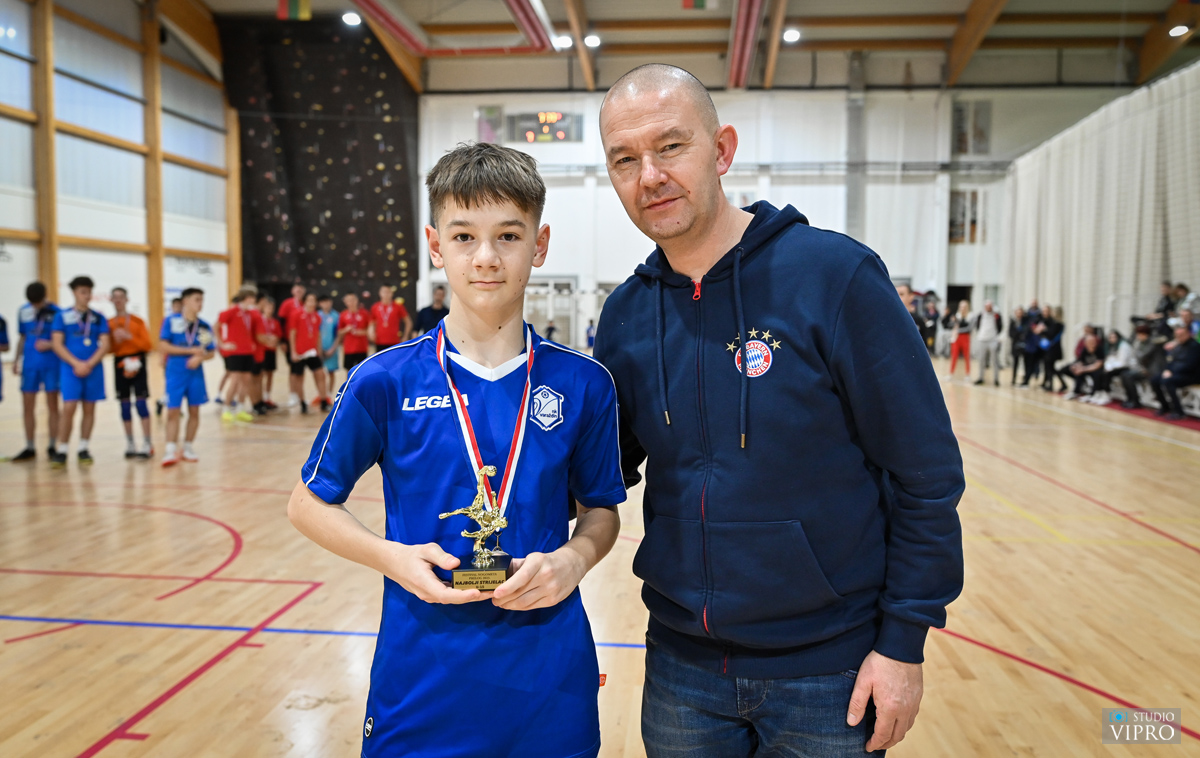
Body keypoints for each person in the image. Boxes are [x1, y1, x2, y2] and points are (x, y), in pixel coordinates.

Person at [594, 64, 963, 757]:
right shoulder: (625, 315)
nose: (650, 176)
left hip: (830, 671)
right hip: (681, 672)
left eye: (670, 146)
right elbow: (599, 471)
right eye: (625, 159)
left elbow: (925, 474)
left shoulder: (834, 277)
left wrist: (903, 643)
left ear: (722, 150)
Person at [287, 141, 626, 758]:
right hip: (421, 679)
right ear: (435, 245)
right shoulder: (383, 380)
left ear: (540, 244)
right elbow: (307, 504)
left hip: (549, 678)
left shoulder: (585, 384)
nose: (487, 257)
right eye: (464, 236)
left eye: (509, 236)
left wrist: (575, 560)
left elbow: (600, 510)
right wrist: (391, 557)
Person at [49, 276, 110, 467]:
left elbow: (105, 344)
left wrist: (89, 364)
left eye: (89, 292)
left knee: (89, 408)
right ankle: (62, 448)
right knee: (69, 408)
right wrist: (76, 364)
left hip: (93, 369)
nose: (87, 296)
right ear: (74, 293)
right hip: (70, 370)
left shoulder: (98, 318)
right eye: (83, 292)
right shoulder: (62, 316)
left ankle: (84, 447)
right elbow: (57, 344)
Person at [159, 287, 216, 466]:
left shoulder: (203, 326)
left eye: (202, 300)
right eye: (197, 299)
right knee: (173, 411)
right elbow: (163, 346)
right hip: (175, 373)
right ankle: (170, 449)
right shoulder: (171, 321)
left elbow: (211, 352)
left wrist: (200, 357)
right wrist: (190, 351)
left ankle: (188, 447)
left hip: (195, 375)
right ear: (185, 301)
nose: (200, 303)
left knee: (194, 411)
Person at [10, 282, 61, 462]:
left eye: (38, 302)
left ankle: (52, 445)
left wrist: (50, 344)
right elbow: (23, 337)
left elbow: (62, 340)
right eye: (33, 303)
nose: (36, 306)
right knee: (27, 406)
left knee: (52, 405)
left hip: (51, 364)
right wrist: (16, 360)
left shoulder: (57, 312)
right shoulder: (23, 311)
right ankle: (30, 446)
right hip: (30, 365)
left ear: (45, 296)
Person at [108, 287, 153, 458]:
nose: (118, 300)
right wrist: (114, 341)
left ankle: (147, 443)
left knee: (141, 402)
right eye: (115, 297)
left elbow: (147, 346)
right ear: (111, 300)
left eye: (121, 297)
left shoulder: (137, 321)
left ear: (127, 299)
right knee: (124, 405)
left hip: (137, 361)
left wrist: (129, 337)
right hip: (119, 362)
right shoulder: (109, 324)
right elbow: (107, 348)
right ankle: (130, 443)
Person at [217, 289, 264, 422]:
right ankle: (226, 408)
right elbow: (216, 326)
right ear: (245, 298)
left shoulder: (250, 313)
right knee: (235, 380)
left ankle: (240, 408)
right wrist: (222, 344)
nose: (253, 300)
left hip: (248, 351)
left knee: (246, 381)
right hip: (235, 352)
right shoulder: (232, 311)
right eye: (251, 298)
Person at [289, 292, 329, 413]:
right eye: (309, 300)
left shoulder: (317, 317)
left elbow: (317, 334)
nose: (312, 303)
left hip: (312, 352)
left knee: (320, 374)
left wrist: (319, 350)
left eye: (314, 300)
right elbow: (292, 333)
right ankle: (302, 403)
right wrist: (293, 351)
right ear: (305, 301)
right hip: (299, 352)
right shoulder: (296, 314)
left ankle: (323, 401)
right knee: (299, 377)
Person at [1150, 324, 1200, 420]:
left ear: (1188, 334)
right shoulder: (1179, 346)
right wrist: (1167, 370)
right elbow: (1172, 360)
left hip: (1192, 375)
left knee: (1167, 381)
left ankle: (1178, 411)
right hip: (1177, 373)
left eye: (1181, 335)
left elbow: (1190, 365)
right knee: (1154, 380)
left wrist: (1172, 372)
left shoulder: (1195, 347)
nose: (1179, 337)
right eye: (1177, 335)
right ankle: (1165, 406)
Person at [279, 282, 307, 408]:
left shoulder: (305, 304)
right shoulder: (287, 304)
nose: (299, 292)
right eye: (297, 290)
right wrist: (282, 341)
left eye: (301, 290)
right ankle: (292, 394)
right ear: (292, 291)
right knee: (293, 369)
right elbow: (281, 321)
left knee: (300, 370)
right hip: (290, 341)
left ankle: (300, 396)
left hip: (303, 342)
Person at [155, 297, 183, 417]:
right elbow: (162, 341)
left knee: (180, 386)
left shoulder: (185, 321)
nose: (178, 308)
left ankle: (171, 404)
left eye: (179, 306)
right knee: (171, 385)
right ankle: (165, 403)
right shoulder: (168, 321)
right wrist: (162, 357)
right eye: (175, 306)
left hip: (182, 360)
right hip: (170, 359)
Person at [338, 292, 372, 375]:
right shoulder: (343, 314)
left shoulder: (364, 313)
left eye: (353, 300)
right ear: (345, 302)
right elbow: (339, 332)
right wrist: (346, 329)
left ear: (357, 300)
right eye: (349, 300)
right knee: (349, 372)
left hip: (362, 348)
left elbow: (370, 330)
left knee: (362, 372)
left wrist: (362, 332)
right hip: (348, 349)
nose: (351, 302)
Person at [257, 295, 282, 409]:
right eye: (268, 307)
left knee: (270, 374)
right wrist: (267, 340)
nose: (270, 310)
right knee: (260, 375)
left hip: (271, 351)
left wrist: (274, 341)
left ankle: (267, 397)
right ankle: (260, 398)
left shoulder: (274, 322)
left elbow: (278, 335)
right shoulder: (259, 320)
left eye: (272, 308)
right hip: (262, 351)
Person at [1100, 330, 1136, 407]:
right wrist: (1107, 366)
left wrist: (1110, 368)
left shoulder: (1124, 345)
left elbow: (1122, 362)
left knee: (1107, 374)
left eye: (1114, 337)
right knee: (1102, 372)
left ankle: (1106, 394)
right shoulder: (1109, 346)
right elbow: (1108, 359)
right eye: (1110, 337)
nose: (1112, 339)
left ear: (1118, 337)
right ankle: (1103, 393)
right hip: (1116, 366)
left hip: (1127, 366)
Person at [371, 283, 411, 351]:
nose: (386, 294)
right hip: (379, 342)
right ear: (380, 293)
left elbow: (408, 322)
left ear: (392, 293)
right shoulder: (375, 307)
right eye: (384, 292)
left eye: (388, 292)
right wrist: (371, 332)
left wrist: (405, 336)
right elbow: (371, 323)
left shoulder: (398, 306)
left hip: (395, 342)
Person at [1065, 333, 1105, 401]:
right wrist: (1076, 366)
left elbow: (1098, 365)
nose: (1093, 343)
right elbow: (1081, 362)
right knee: (1077, 372)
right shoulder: (1085, 350)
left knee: (1097, 374)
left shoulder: (1099, 349)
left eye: (1093, 341)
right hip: (1087, 368)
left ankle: (1093, 394)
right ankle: (1076, 392)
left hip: (1096, 369)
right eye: (1090, 341)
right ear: (1086, 343)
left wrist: (1083, 369)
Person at [1036, 306, 1067, 392]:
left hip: (1053, 349)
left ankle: (1051, 385)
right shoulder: (1059, 324)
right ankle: (1057, 384)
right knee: (1051, 368)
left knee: (1050, 368)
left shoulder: (1057, 324)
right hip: (1054, 348)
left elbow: (1050, 334)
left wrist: (1043, 330)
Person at [972, 301, 1002, 386]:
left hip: (993, 340)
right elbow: (977, 326)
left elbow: (1000, 327)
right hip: (982, 339)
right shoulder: (981, 315)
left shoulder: (996, 316)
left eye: (990, 306)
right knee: (981, 360)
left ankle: (996, 379)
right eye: (987, 306)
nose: (988, 308)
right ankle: (981, 377)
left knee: (995, 360)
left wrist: (996, 336)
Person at [318, 294, 341, 388]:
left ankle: (329, 393)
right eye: (323, 302)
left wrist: (333, 349)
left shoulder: (336, 316)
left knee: (331, 372)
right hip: (319, 348)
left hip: (332, 349)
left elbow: (338, 334)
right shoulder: (317, 315)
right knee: (319, 372)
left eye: (327, 301)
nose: (326, 304)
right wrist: (318, 348)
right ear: (319, 304)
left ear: (331, 302)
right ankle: (321, 393)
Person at [947, 300, 972, 378]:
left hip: (965, 337)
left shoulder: (970, 316)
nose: (962, 308)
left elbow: (969, 328)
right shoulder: (957, 316)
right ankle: (951, 373)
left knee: (966, 356)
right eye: (961, 307)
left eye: (964, 307)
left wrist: (958, 329)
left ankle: (967, 374)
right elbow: (950, 325)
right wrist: (954, 323)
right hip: (956, 337)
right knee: (954, 355)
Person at [1008, 306, 1026, 386]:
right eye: (1018, 312)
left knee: (1025, 362)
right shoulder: (1013, 322)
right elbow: (1010, 334)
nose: (1019, 314)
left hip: (1024, 345)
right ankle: (1014, 379)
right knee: (1015, 362)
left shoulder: (1025, 322)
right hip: (1015, 345)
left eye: (1020, 312)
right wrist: (1018, 332)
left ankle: (1024, 379)